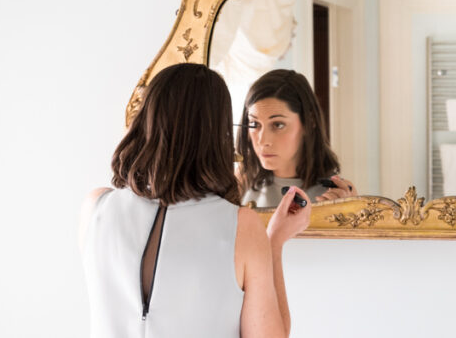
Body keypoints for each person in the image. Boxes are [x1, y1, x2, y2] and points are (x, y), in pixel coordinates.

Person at [79, 63, 309, 338]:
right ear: (216, 133)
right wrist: (273, 244)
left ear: (147, 119)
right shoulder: (240, 226)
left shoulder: (96, 207)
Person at [238, 68, 356, 207]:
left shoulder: (338, 194)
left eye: (278, 125)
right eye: (254, 124)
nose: (263, 140)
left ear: (309, 122)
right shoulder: (241, 182)